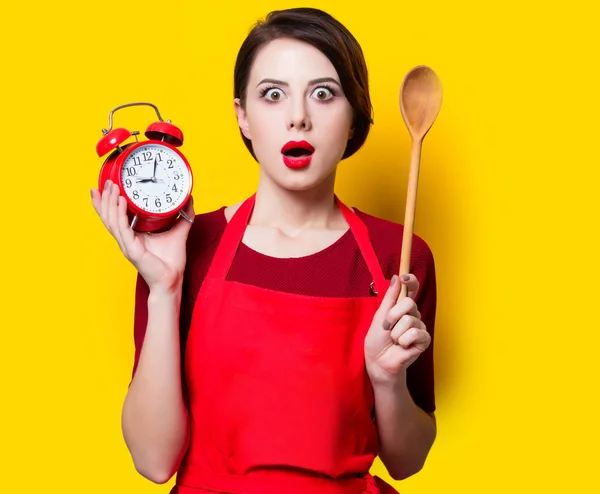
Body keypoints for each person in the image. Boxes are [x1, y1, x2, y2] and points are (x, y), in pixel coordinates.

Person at [90, 7, 438, 494]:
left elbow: (408, 460)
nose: (299, 117)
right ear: (243, 117)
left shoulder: (398, 256)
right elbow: (152, 460)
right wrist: (164, 287)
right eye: (272, 95)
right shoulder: (185, 248)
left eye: (324, 93)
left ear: (355, 113)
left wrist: (386, 379)